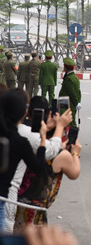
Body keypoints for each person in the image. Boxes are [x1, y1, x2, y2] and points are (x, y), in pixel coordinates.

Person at [5, 96, 69, 231]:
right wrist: (60, 127)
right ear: (23, 114)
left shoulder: (13, 132)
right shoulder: (22, 136)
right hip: (6, 196)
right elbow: (49, 152)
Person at [14, 107, 77, 230]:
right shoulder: (59, 154)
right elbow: (74, 173)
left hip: (16, 201)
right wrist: (75, 153)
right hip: (35, 211)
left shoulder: (30, 142)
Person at [0, 89, 47, 232]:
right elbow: (38, 167)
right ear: (23, 113)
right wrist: (43, 140)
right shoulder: (19, 141)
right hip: (3, 199)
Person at [58, 58, 81, 128]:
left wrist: (76, 103)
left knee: (70, 122)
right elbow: (78, 92)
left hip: (68, 103)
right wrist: (78, 102)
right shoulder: (74, 77)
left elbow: (72, 93)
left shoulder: (69, 79)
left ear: (65, 68)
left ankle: (72, 136)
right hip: (71, 103)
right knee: (71, 120)